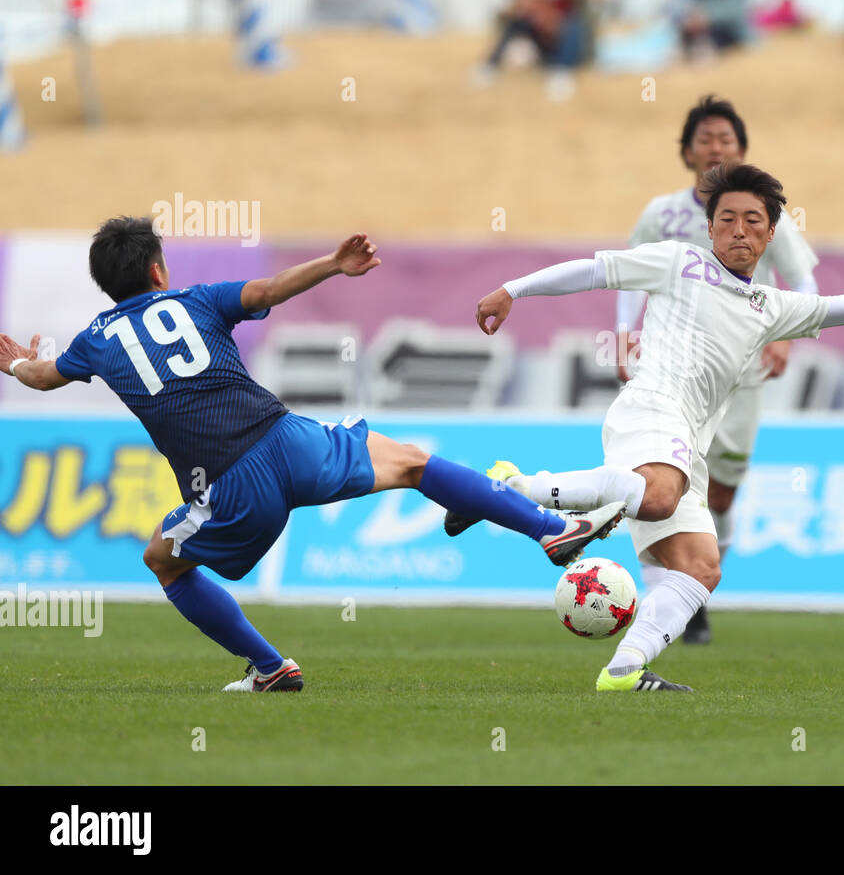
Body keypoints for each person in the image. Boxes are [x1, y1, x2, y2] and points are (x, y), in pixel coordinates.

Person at [0, 219, 624, 692]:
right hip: (289, 439)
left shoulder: (95, 341)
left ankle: (270, 667)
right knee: (411, 463)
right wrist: (332, 263)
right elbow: (269, 288)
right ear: (159, 270)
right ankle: (550, 528)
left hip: (230, 487)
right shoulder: (194, 300)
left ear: (107, 285)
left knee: (163, 561)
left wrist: (16, 363)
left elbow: (44, 375)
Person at [465, 163, 844, 691]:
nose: (739, 230)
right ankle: (519, 490)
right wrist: (513, 289)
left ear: (771, 234)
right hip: (651, 409)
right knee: (656, 498)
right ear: (709, 227)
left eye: (753, 220)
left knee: (700, 568)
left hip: (688, 443)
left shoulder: (771, 305)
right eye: (727, 219)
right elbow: (593, 271)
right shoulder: (679, 262)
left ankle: (624, 670)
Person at [616, 94, 819, 644]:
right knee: (668, 482)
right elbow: (628, 273)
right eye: (704, 139)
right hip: (673, 372)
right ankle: (677, 593)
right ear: (686, 152)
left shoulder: (761, 213)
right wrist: (624, 333)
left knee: (721, 494)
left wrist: (786, 339)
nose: (714, 148)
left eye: (725, 140)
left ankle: (696, 586)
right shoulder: (662, 213)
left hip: (740, 373)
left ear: (741, 151)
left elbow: (804, 282)